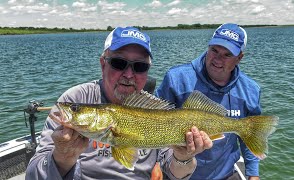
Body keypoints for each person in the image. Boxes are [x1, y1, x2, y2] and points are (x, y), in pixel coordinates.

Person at [26, 26, 212, 180]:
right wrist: (62, 157)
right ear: (103, 64)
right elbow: (33, 176)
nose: (129, 74)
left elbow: (175, 174)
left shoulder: (154, 108)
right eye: (118, 63)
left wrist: (184, 157)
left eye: (139, 66)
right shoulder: (76, 98)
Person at [155, 23, 261, 180]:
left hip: (224, 174)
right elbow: (153, 124)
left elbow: (250, 136)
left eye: (227, 55)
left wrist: (253, 174)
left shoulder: (250, 90)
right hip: (177, 173)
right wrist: (154, 163)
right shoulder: (176, 78)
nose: (218, 59)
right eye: (214, 50)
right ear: (208, 47)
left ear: (239, 58)